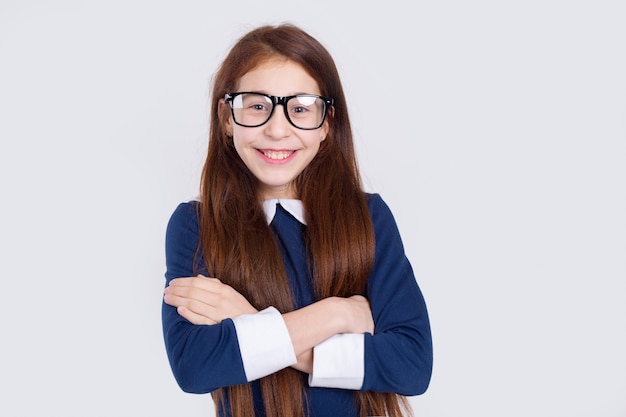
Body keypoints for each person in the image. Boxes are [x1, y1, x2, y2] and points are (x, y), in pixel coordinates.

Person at [162, 23, 433, 417]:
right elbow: (195, 366)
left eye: (300, 108)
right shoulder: (198, 225)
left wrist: (246, 320)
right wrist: (337, 313)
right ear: (226, 118)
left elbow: (411, 365)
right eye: (256, 106)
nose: (276, 129)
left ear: (326, 123)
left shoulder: (367, 218)